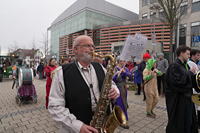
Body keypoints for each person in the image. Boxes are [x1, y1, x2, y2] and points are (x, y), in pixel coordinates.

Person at [48, 35, 119, 133]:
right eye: (87, 45)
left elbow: (112, 84)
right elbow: (55, 106)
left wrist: (115, 90)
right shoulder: (61, 72)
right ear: (75, 49)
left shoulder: (100, 67)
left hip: (103, 123)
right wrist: (78, 126)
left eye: (93, 46)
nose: (92, 49)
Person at [165, 46, 199, 133]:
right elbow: (176, 82)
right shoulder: (174, 66)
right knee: (180, 121)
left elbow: (190, 79)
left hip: (187, 98)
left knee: (188, 121)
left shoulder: (185, 65)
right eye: (187, 54)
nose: (189, 56)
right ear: (181, 53)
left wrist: (196, 78)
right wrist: (189, 73)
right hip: (179, 100)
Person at [112, 59, 132, 128]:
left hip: (124, 89)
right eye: (121, 61)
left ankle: (123, 118)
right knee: (119, 103)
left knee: (124, 103)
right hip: (117, 88)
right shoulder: (115, 68)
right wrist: (117, 74)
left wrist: (124, 72)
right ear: (119, 61)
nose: (123, 62)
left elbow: (130, 76)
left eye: (124, 61)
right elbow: (112, 79)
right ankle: (121, 120)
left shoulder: (125, 68)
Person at [187, 49, 200, 129]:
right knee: (195, 107)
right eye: (198, 55)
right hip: (193, 90)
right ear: (193, 55)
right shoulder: (191, 64)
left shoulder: (194, 64)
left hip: (194, 90)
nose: (199, 56)